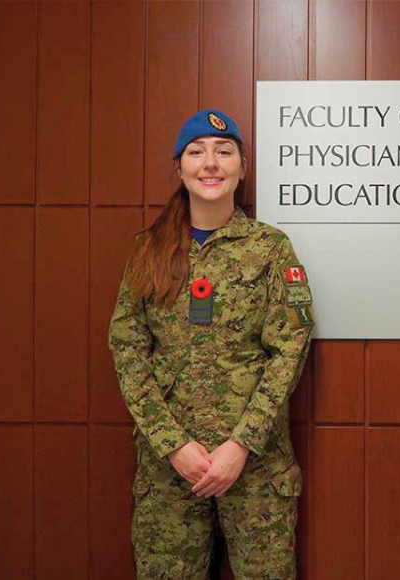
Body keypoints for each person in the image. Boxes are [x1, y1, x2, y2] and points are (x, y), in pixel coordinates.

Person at [107, 109, 314, 579]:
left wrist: (240, 444)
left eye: (224, 152)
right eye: (196, 152)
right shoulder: (149, 249)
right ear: (179, 168)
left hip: (256, 471)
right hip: (169, 474)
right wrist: (172, 444)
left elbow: (291, 347)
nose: (211, 163)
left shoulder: (271, 249)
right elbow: (127, 347)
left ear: (243, 167)